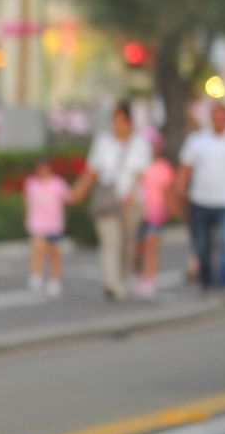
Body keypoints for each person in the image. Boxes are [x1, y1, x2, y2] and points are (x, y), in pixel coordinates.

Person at [69, 101, 152, 300]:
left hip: (131, 201)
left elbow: (142, 174)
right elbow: (92, 171)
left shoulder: (140, 143)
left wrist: (131, 194)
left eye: (122, 121)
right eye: (115, 121)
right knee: (110, 241)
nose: (118, 125)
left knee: (127, 243)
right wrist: (78, 190)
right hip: (107, 199)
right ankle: (111, 282)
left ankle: (124, 278)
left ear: (129, 122)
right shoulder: (103, 142)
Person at [174, 100, 225, 295]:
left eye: (222, 118)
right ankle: (206, 279)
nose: (219, 121)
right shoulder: (197, 140)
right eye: (215, 117)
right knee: (202, 246)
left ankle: (223, 282)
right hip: (201, 201)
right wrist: (179, 194)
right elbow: (184, 170)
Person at [134, 133, 175, 298]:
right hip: (137, 211)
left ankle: (149, 279)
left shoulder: (163, 167)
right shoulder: (138, 165)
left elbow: (167, 191)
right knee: (137, 247)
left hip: (155, 212)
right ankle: (137, 274)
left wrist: (170, 207)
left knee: (151, 245)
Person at [22, 156, 68, 298]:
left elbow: (66, 199)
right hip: (37, 223)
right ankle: (36, 275)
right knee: (38, 249)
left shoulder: (58, 183)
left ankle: (55, 279)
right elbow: (27, 202)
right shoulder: (31, 183)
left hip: (54, 224)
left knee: (54, 253)